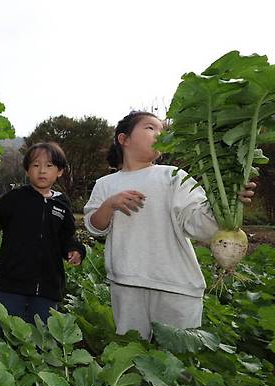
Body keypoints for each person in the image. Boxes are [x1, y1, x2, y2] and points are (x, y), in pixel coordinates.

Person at [84, 111, 256, 340]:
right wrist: (109, 204)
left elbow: (199, 225)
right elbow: (94, 226)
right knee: (131, 353)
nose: (159, 133)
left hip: (176, 285)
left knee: (179, 362)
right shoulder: (106, 184)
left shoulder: (174, 176)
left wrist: (228, 199)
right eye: (150, 128)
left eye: (163, 130)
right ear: (123, 139)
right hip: (127, 283)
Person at [0, 142, 86, 324]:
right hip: (12, 282)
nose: (42, 170)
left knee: (43, 334)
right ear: (27, 171)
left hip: (48, 286)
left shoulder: (61, 204)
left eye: (49, 166)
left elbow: (67, 236)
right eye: (36, 165)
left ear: (59, 171)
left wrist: (76, 249)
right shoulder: (15, 198)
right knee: (9, 330)